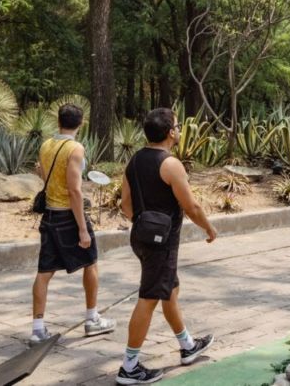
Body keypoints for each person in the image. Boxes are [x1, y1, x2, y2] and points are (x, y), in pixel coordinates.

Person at [116, 108, 217, 385]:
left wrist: (146, 222)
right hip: (161, 243)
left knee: (170, 290)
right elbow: (191, 206)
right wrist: (208, 228)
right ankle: (129, 367)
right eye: (178, 126)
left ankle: (187, 346)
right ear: (171, 132)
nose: (180, 130)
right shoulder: (170, 164)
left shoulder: (134, 161)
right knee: (149, 298)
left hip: (141, 236)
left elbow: (126, 206)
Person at [28, 103, 115, 345]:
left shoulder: (46, 145)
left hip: (49, 215)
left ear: (58, 121)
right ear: (81, 123)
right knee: (91, 262)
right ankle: (92, 318)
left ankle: (37, 329)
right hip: (69, 214)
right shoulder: (75, 148)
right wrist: (82, 228)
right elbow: (75, 191)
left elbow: (46, 178)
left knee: (44, 273)